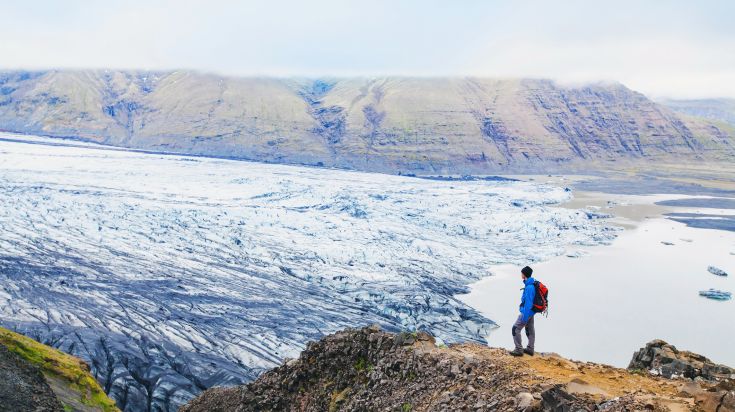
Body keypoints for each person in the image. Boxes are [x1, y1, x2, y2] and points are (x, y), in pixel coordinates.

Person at [509, 266, 536, 356]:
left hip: (526, 312)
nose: (521, 274)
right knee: (530, 329)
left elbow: (528, 303)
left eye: (521, 273)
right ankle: (530, 349)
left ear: (524, 274)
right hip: (531, 312)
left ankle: (518, 349)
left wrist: (524, 317)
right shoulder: (531, 284)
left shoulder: (529, 287)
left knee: (515, 329)